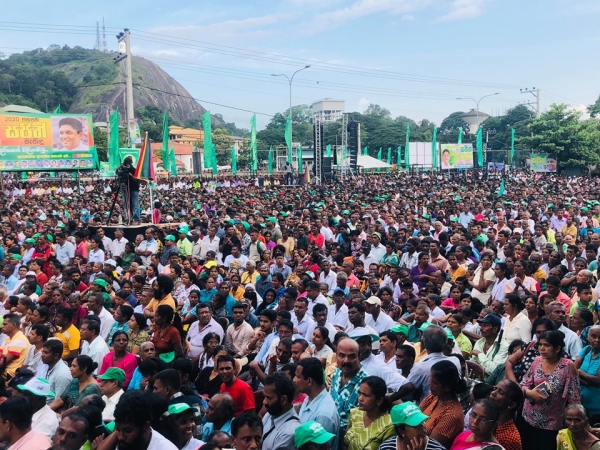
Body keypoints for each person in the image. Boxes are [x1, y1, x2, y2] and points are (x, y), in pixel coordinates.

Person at [520, 330, 581, 450]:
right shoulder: (537, 361)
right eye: (540, 345)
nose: (542, 348)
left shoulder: (567, 366)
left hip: (551, 424)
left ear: (557, 348)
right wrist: (530, 392)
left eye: (546, 345)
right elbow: (524, 383)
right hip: (528, 418)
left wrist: (574, 421)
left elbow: (574, 397)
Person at [295, 358, 340, 450]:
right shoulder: (309, 397)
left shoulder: (323, 415)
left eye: (298, 377)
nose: (294, 380)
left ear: (309, 381)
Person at [418, 360, 465, 449]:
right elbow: (413, 417)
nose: (429, 384)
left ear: (447, 387)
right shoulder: (433, 397)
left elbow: (429, 445)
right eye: (430, 379)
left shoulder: (452, 415)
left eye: (434, 383)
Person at [113, 390, 178, 450]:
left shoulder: (166, 448)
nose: (121, 437)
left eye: (128, 431)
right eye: (118, 429)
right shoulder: (125, 444)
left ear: (146, 426)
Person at [344, 376, 394, 450]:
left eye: (366, 395)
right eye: (359, 393)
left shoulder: (389, 426)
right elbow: (344, 443)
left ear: (379, 400)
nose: (360, 398)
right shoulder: (355, 413)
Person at [330, 338, 368, 431]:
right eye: (342, 355)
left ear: (359, 357)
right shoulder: (336, 373)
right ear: (336, 356)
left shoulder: (367, 383)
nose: (346, 361)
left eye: (351, 356)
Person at [378, 402, 446, 450]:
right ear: (401, 431)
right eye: (415, 424)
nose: (422, 426)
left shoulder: (437, 448)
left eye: (422, 421)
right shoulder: (386, 447)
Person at [261, 372, 301, 450]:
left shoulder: (289, 433)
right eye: (264, 397)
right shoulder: (270, 414)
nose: (264, 402)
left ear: (283, 400)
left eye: (269, 398)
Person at [575, 324, 600, 423]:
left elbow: (598, 381)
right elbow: (572, 371)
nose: (597, 340)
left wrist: (581, 373)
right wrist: (589, 381)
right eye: (593, 336)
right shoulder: (586, 350)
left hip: (597, 410)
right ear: (588, 337)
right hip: (582, 407)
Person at [488, 379, 523, 450]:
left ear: (512, 405)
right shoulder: (486, 418)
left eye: (501, 392)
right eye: (495, 388)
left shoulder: (510, 438)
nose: (493, 393)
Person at [40, 339, 72, 403]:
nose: (42, 355)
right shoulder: (45, 365)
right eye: (42, 352)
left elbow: (58, 402)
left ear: (56, 356)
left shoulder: (62, 374)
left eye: (46, 353)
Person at [0, 313, 31, 380]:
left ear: (13, 325)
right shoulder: (8, 338)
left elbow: (3, 363)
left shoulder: (20, 340)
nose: (2, 326)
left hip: (10, 375)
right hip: (3, 372)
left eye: (5, 324)